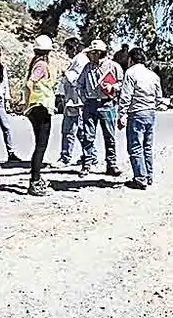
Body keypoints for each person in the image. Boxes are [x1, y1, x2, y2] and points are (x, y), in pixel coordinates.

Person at [117, 47, 163, 190]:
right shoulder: (153, 75)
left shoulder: (130, 73)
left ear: (131, 59)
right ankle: (148, 175)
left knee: (135, 146)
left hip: (136, 113)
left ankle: (140, 178)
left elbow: (126, 95)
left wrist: (122, 114)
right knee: (147, 146)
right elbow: (159, 98)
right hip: (150, 113)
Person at [77, 39, 124, 177]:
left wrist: (113, 87)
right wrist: (84, 98)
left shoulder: (114, 66)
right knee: (88, 135)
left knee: (109, 136)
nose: (91, 55)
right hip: (90, 104)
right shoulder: (87, 68)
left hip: (107, 104)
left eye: (93, 53)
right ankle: (87, 163)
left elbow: (122, 83)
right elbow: (79, 84)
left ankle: (111, 164)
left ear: (99, 53)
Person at [23, 35, 57, 197]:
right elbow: (30, 83)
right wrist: (27, 101)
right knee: (41, 146)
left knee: (39, 145)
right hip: (41, 107)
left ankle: (36, 178)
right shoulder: (42, 65)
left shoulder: (36, 63)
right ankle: (35, 181)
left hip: (37, 106)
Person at [57, 37, 89, 166]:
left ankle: (67, 157)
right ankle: (88, 155)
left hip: (76, 101)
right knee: (78, 129)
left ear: (73, 48)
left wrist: (66, 74)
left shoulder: (80, 60)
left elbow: (78, 79)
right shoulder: (78, 60)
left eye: (68, 49)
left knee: (70, 129)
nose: (66, 52)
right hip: (73, 100)